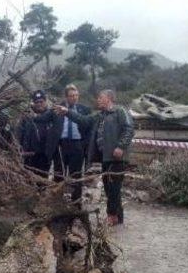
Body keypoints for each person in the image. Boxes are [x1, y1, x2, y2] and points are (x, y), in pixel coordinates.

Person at [54, 89, 134, 225]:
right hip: (106, 157)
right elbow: (83, 120)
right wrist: (67, 112)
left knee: (113, 187)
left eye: (100, 98)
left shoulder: (120, 111)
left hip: (117, 157)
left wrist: (121, 146)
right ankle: (118, 217)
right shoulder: (100, 115)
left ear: (109, 98)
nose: (98, 100)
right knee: (110, 188)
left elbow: (129, 129)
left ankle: (111, 215)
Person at [34, 84, 91, 203]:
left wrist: (84, 145)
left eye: (76, 95)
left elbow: (88, 127)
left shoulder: (84, 110)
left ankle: (76, 203)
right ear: (66, 97)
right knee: (59, 174)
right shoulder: (57, 109)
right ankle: (57, 201)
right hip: (61, 145)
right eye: (71, 96)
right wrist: (30, 114)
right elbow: (42, 118)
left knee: (76, 175)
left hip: (77, 145)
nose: (74, 98)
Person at [16, 90, 51, 176]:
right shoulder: (27, 116)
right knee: (28, 180)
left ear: (45, 102)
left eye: (41, 102)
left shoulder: (51, 116)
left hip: (44, 156)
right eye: (36, 102)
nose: (39, 104)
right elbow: (20, 133)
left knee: (42, 181)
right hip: (28, 155)